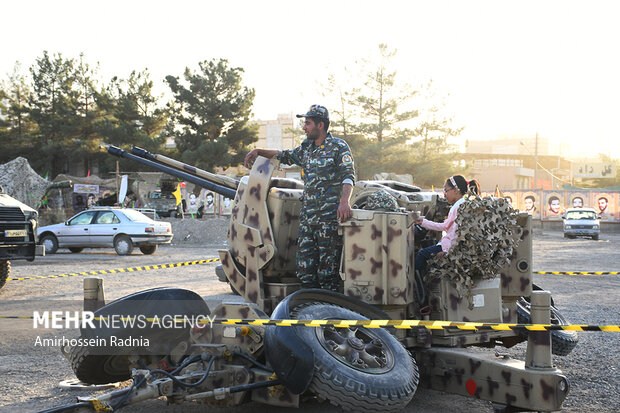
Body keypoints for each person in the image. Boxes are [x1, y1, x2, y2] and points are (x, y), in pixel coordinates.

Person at [244, 104, 355, 291]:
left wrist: (345, 202)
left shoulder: (338, 147)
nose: (304, 127)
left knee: (327, 274)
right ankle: (308, 309)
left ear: (321, 125)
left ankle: (328, 314)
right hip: (308, 221)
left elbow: (348, 176)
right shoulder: (307, 148)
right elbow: (284, 155)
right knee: (304, 271)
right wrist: (258, 151)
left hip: (328, 221)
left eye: (308, 123)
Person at [414, 175, 468, 275]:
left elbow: (445, 228)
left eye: (446, 191)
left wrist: (422, 222)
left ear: (456, 190)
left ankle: (415, 286)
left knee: (421, 254)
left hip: (449, 246)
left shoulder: (457, 207)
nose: (444, 194)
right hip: (449, 244)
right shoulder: (462, 204)